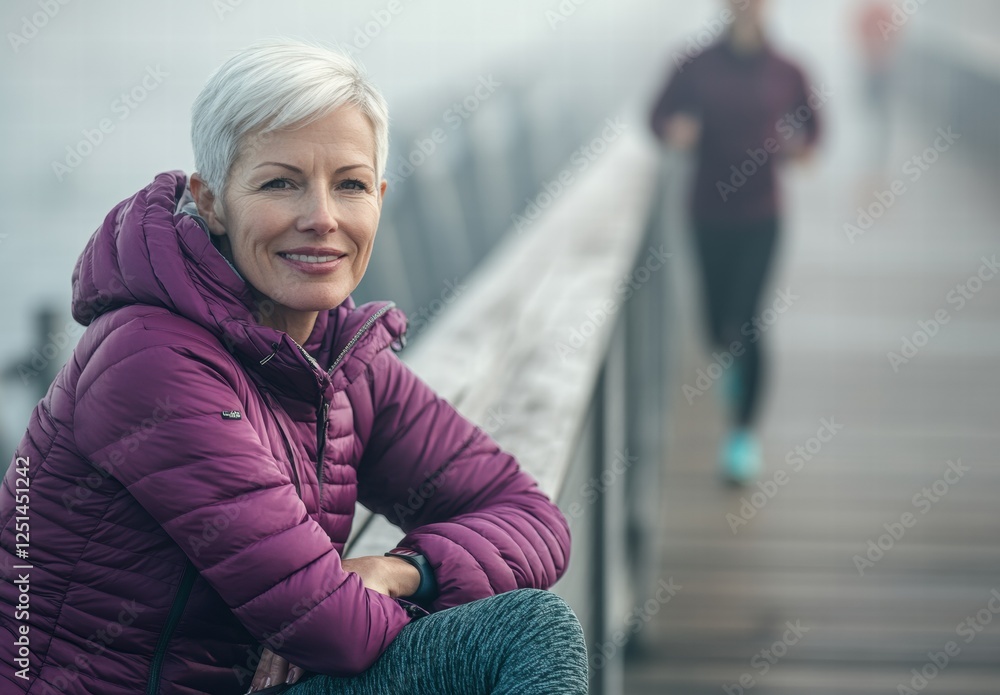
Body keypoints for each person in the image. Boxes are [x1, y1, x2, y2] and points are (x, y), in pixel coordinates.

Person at [0, 40, 587, 695]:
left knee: (523, 630)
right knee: (526, 631)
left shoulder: (336, 361)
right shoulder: (148, 360)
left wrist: (403, 569)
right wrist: (336, 606)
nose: (322, 218)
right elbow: (332, 626)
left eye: (351, 185)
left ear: (381, 198)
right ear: (213, 200)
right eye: (281, 182)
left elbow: (535, 517)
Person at [649, 0, 821, 484]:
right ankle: (731, 367)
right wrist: (673, 131)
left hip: (762, 216)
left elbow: (815, 127)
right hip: (706, 214)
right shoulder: (694, 64)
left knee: (748, 320)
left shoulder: (788, 71)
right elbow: (656, 116)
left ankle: (742, 437)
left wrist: (802, 149)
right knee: (713, 326)